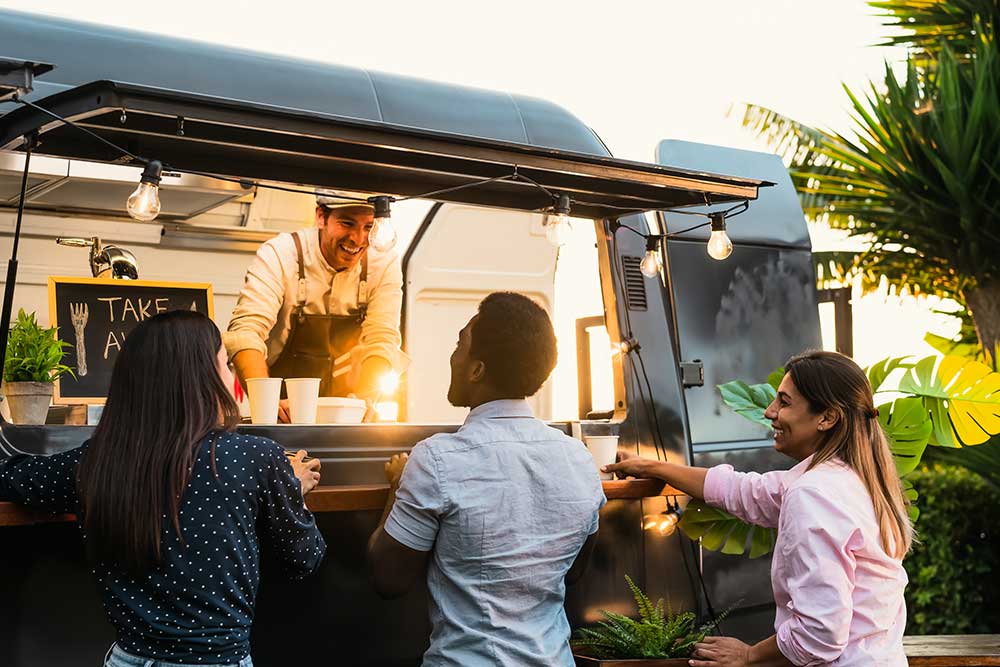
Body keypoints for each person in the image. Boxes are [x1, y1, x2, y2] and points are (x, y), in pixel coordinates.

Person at [0, 310, 326, 667]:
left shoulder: (94, 461)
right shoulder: (256, 457)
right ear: (201, 378)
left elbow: (13, 477)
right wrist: (291, 490)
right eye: (224, 364)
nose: (231, 377)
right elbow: (303, 559)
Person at [605, 350, 911, 667]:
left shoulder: (814, 493)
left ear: (827, 417)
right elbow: (748, 493)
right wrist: (656, 467)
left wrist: (749, 655)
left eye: (784, 402)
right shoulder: (855, 476)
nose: (769, 411)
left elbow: (820, 635)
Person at [367, 292, 606, 667]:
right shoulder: (579, 458)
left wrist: (398, 485)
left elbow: (388, 580)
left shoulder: (437, 459)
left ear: (477, 370)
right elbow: (573, 571)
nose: (453, 356)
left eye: (460, 344)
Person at [224, 189, 408, 421]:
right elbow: (246, 332)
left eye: (368, 227)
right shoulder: (281, 253)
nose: (358, 239)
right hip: (281, 407)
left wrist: (367, 397)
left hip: (346, 409)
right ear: (321, 217)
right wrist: (267, 405)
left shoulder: (384, 262)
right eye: (347, 223)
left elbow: (381, 339)